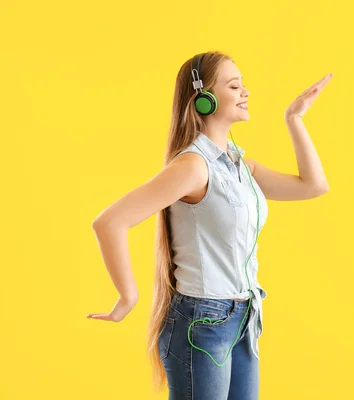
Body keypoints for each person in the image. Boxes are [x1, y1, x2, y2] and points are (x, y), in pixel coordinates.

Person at [87, 50, 333, 399]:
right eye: (234, 85)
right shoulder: (193, 167)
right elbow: (110, 222)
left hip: (243, 317)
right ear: (203, 99)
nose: (246, 91)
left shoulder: (240, 168)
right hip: (201, 322)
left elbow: (314, 186)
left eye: (243, 84)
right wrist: (128, 295)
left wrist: (294, 118)